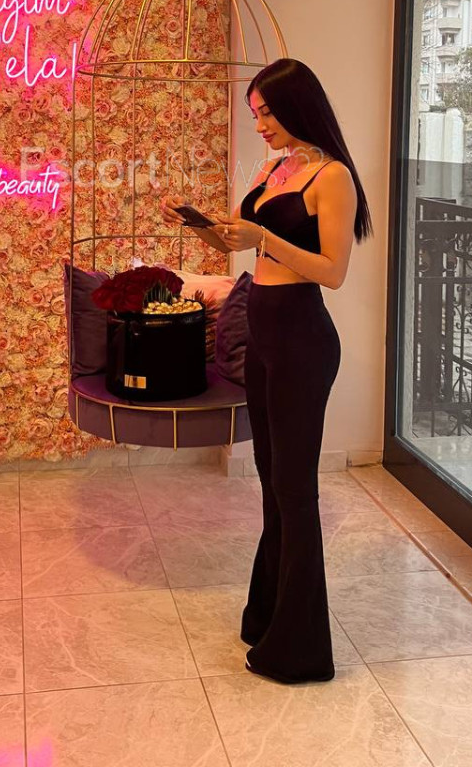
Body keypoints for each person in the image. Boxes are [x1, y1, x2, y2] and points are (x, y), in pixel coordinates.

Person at [161, 57, 372, 685]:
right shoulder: (273, 169)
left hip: (303, 339)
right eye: (255, 115)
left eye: (268, 114)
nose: (260, 126)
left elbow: (332, 271)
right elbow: (241, 245)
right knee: (272, 483)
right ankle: (269, 615)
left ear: (298, 107)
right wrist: (205, 227)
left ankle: (301, 650)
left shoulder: (332, 177)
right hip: (264, 334)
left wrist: (262, 238)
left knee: (295, 489)